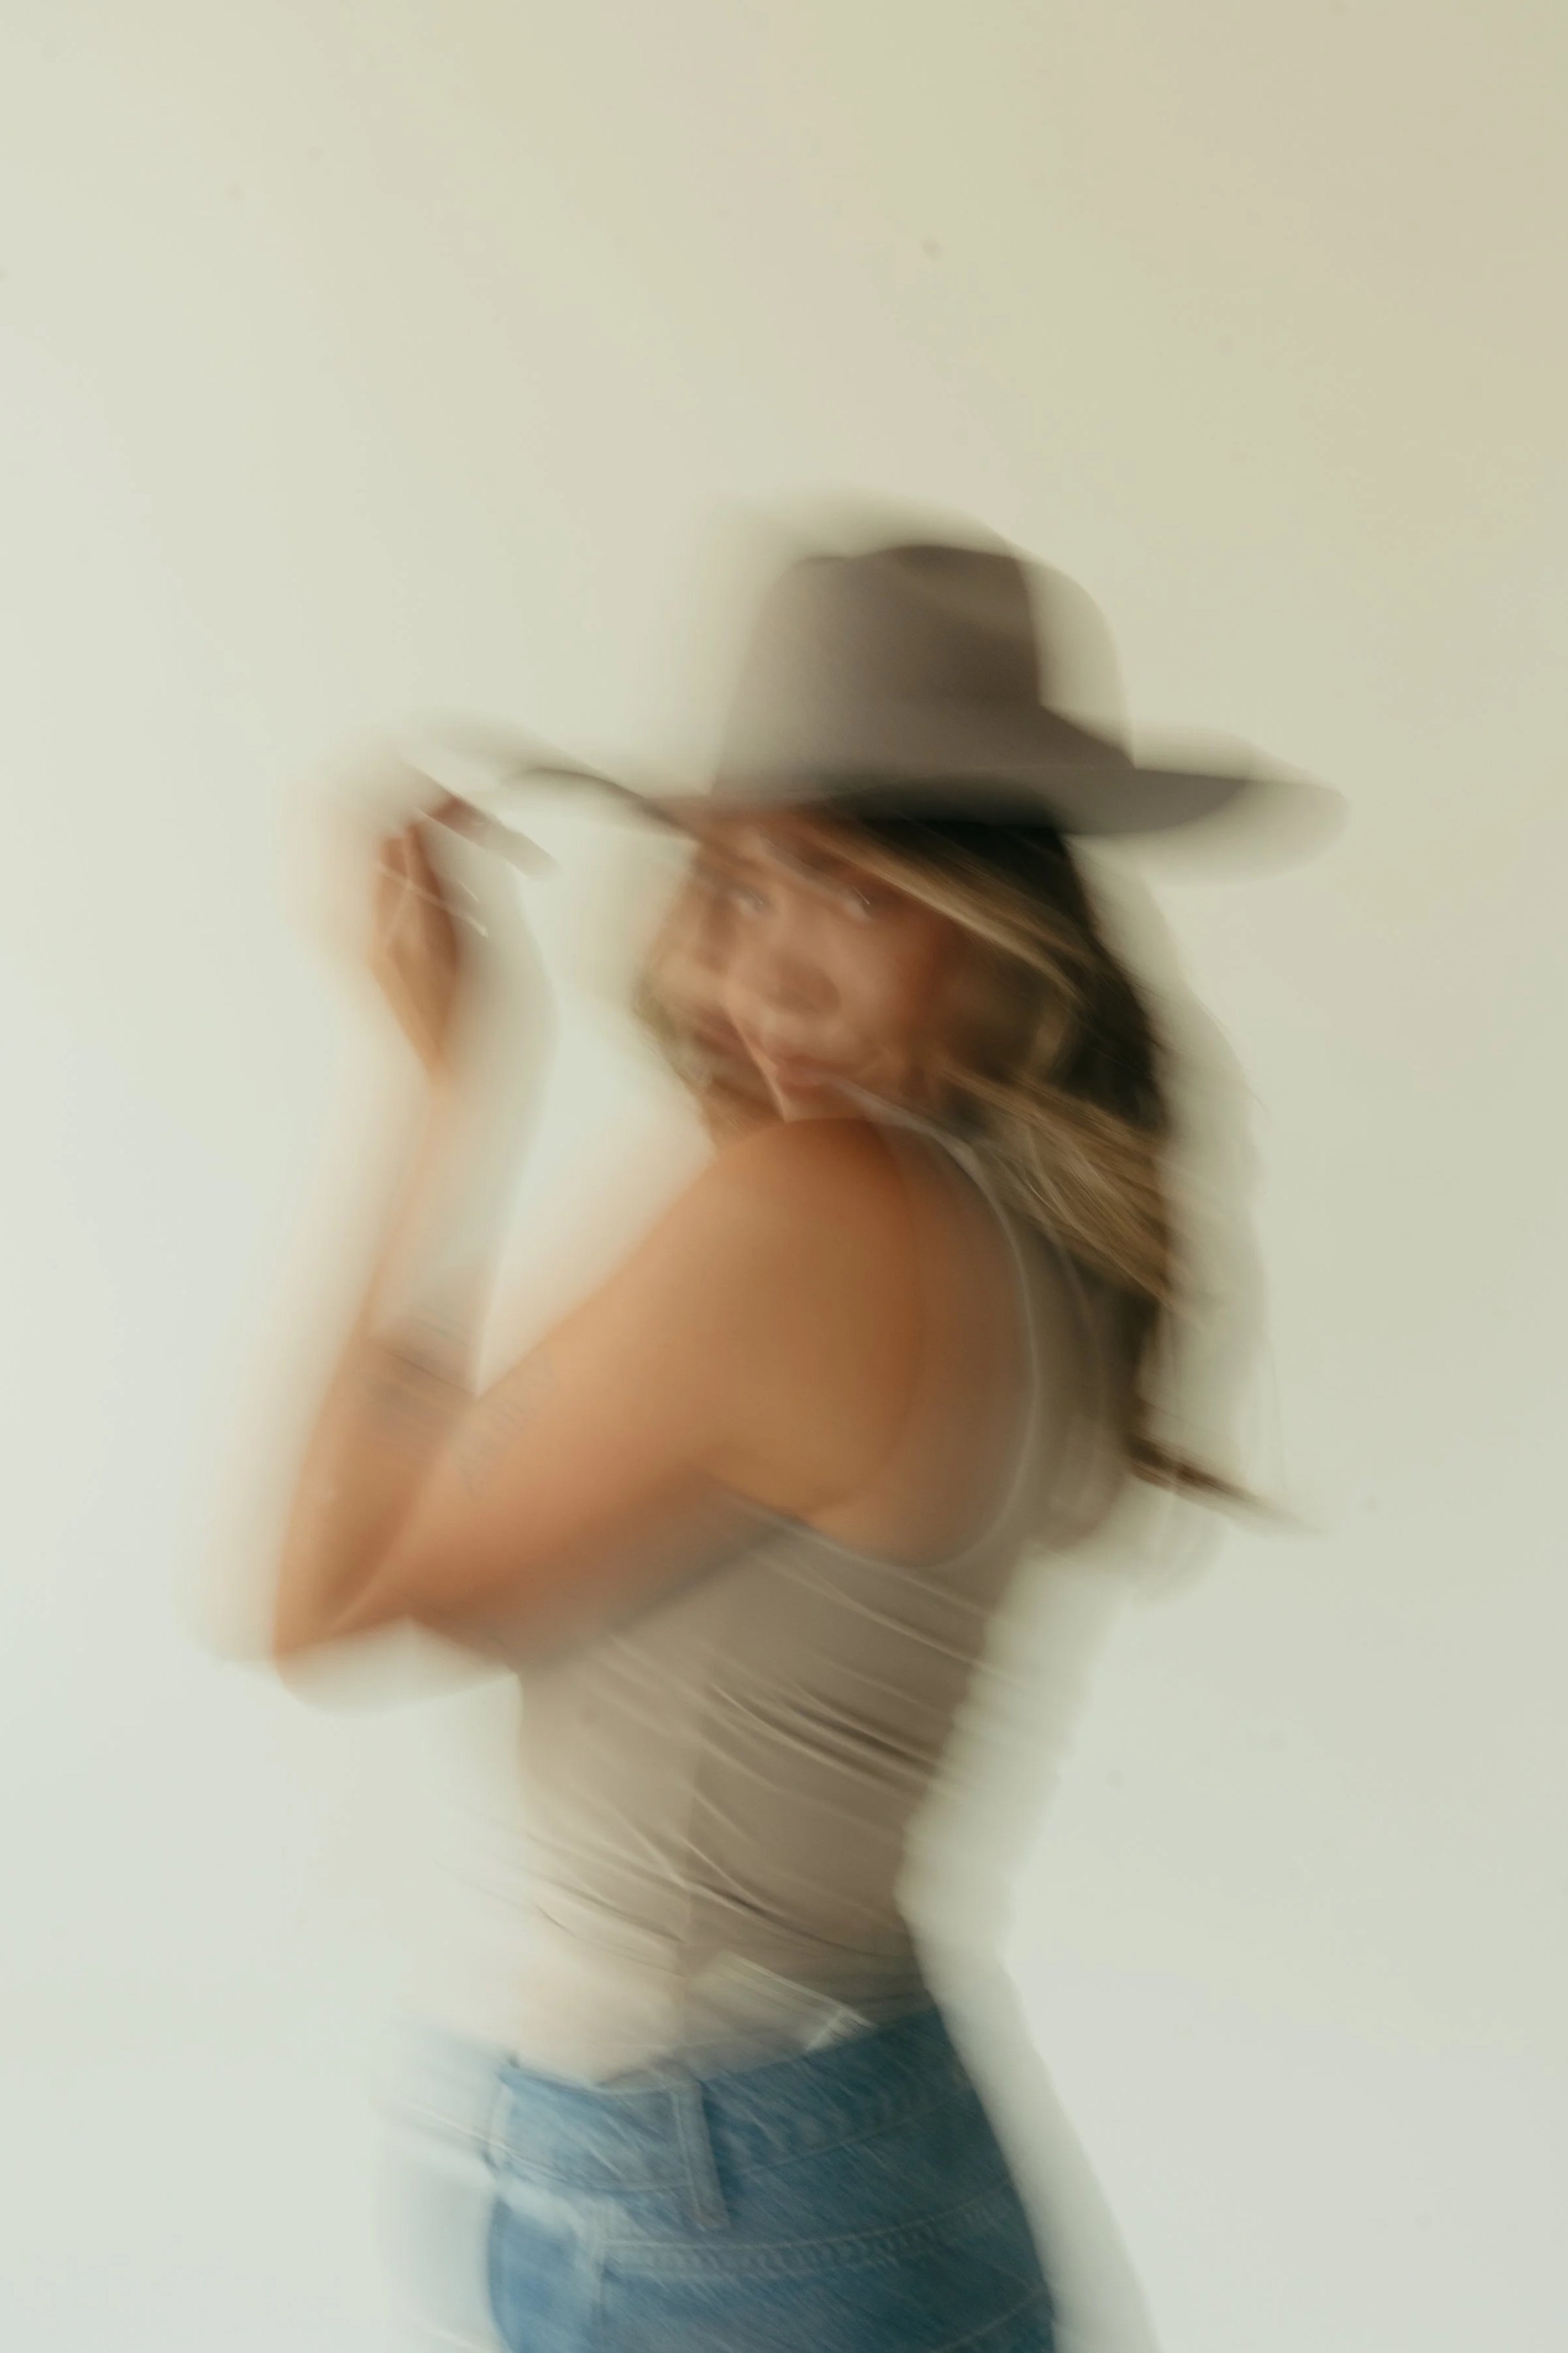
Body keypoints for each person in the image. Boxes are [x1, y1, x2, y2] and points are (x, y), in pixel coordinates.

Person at [269, 537, 1257, 2352]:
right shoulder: (1012, 1230)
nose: (758, 965)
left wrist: (433, 1094)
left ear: (996, 921)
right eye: (729, 879)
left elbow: (316, 1592)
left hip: (729, 2185)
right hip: (768, 2150)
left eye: (845, 889)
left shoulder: (828, 1209)